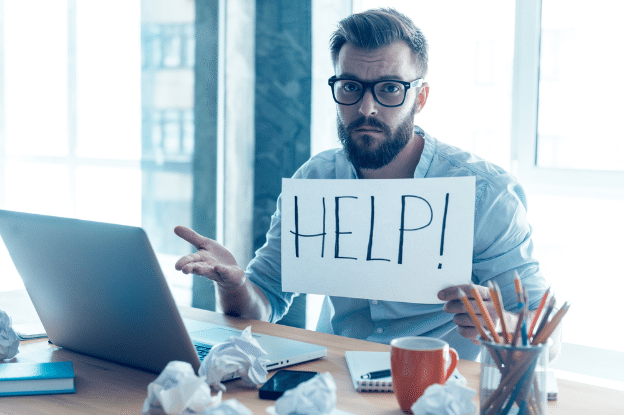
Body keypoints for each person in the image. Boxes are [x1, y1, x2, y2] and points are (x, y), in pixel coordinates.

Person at [174, 8, 559, 361]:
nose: (366, 108)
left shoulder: (485, 194)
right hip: (330, 384)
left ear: (420, 97)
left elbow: (549, 338)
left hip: (433, 388)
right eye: (350, 87)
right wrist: (236, 282)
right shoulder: (316, 179)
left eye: (390, 88)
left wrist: (504, 324)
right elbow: (263, 304)